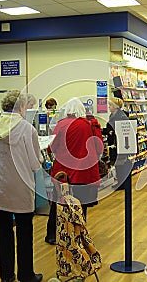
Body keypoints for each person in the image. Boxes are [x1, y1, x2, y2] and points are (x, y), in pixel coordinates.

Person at [0, 90, 43, 282]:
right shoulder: (27, 129)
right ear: (21, 107)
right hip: (21, 189)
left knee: (4, 235)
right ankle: (26, 274)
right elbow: (35, 163)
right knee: (25, 234)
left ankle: (6, 276)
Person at [45, 97, 103, 245]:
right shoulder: (90, 125)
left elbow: (51, 147)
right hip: (84, 171)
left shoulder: (61, 125)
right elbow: (99, 148)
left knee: (58, 203)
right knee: (81, 205)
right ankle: (78, 235)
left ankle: (52, 234)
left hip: (63, 172)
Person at [104, 97, 132, 190]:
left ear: (115, 106)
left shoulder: (121, 116)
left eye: (110, 105)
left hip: (120, 144)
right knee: (117, 163)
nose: (109, 107)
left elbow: (123, 129)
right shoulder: (113, 115)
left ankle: (122, 183)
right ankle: (120, 182)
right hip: (114, 143)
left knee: (120, 163)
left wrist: (113, 131)